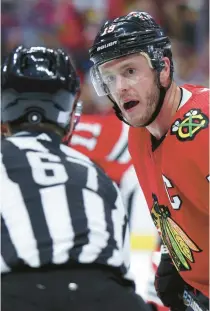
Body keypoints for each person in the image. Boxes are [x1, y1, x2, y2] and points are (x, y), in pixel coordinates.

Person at [1, 45, 150, 311]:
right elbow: (124, 265)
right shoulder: (93, 171)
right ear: (71, 118)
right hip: (108, 296)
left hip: (18, 293)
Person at [89, 11, 209, 311]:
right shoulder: (138, 135)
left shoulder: (202, 132)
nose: (119, 88)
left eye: (130, 71)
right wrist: (174, 258)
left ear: (164, 68)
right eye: (109, 77)